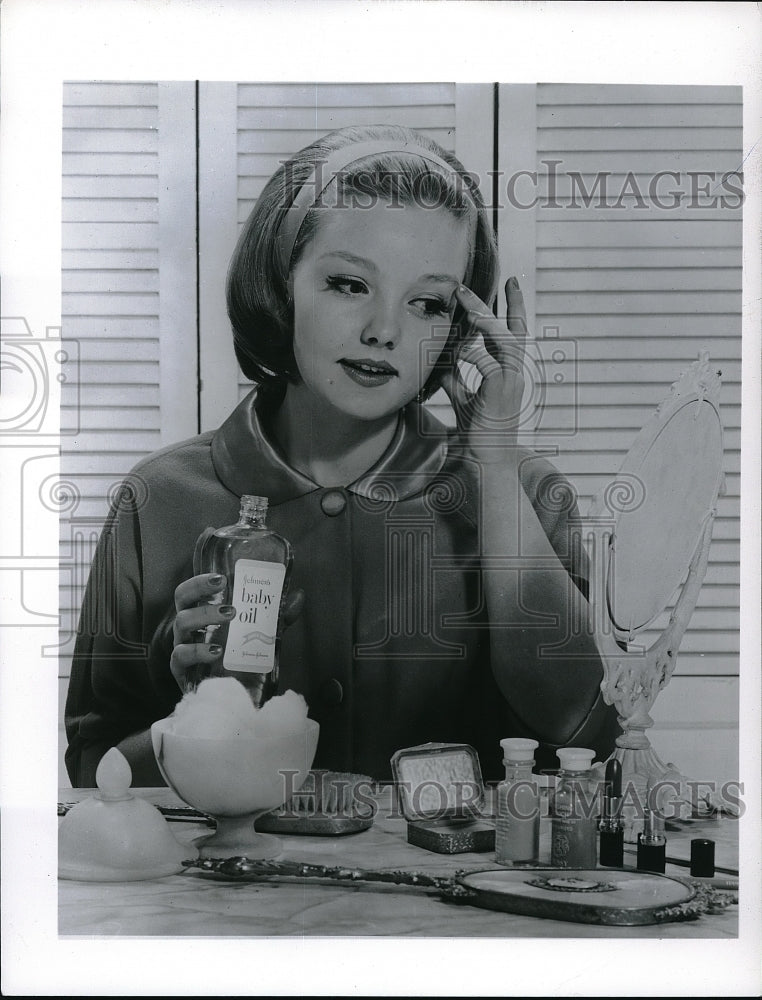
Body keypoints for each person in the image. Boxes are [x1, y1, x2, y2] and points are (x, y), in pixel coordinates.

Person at [65, 123, 620, 787]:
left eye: (428, 303)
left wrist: (495, 467)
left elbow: (581, 732)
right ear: (280, 283)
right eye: (349, 284)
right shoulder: (155, 498)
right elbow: (94, 772)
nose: (385, 330)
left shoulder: (526, 489)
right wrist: (190, 702)